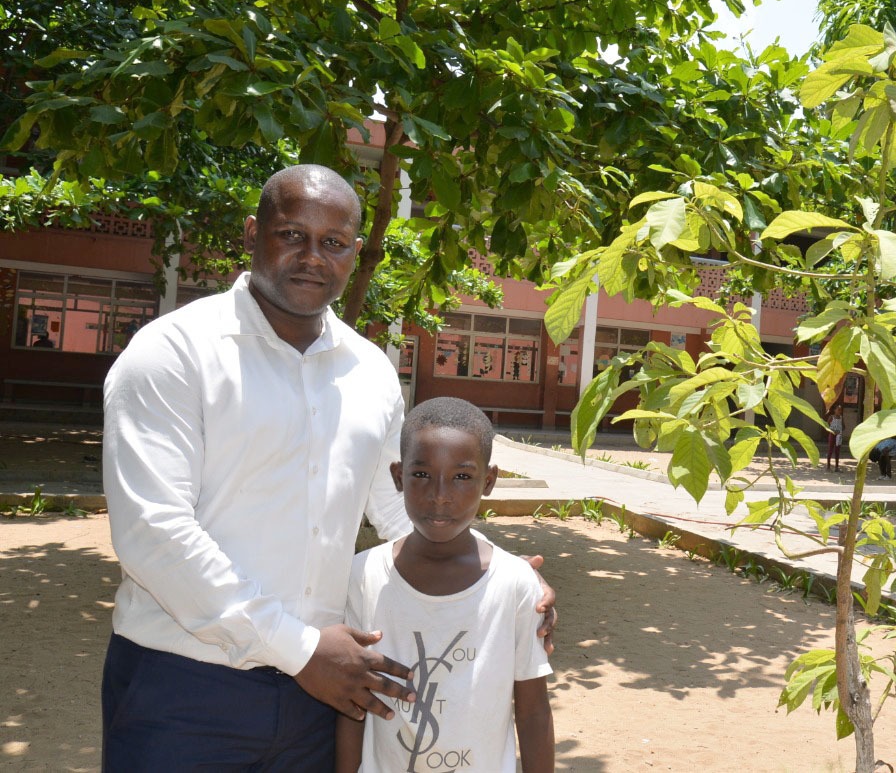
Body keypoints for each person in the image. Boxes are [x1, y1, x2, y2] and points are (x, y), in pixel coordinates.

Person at [99, 165, 555, 770]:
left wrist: (500, 576)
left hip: (326, 695)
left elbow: (400, 508)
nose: (312, 256)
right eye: (291, 235)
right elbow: (152, 534)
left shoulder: (369, 373)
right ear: (252, 233)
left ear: (356, 254)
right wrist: (302, 649)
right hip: (185, 684)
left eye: (333, 243)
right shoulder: (173, 353)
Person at [337, 397, 553, 773]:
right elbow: (352, 706)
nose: (440, 494)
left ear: (489, 482)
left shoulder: (515, 586)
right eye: (421, 475)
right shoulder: (363, 576)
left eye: (462, 476)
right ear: (396, 477)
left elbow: (533, 711)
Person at [826, 406, 844, 471]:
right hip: (832, 435)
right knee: (830, 450)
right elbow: (827, 426)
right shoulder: (831, 417)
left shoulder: (841, 418)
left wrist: (840, 431)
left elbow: (843, 426)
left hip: (839, 436)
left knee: (837, 451)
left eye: (840, 410)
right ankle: (828, 466)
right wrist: (833, 431)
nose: (839, 411)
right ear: (834, 410)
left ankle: (836, 467)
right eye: (838, 410)